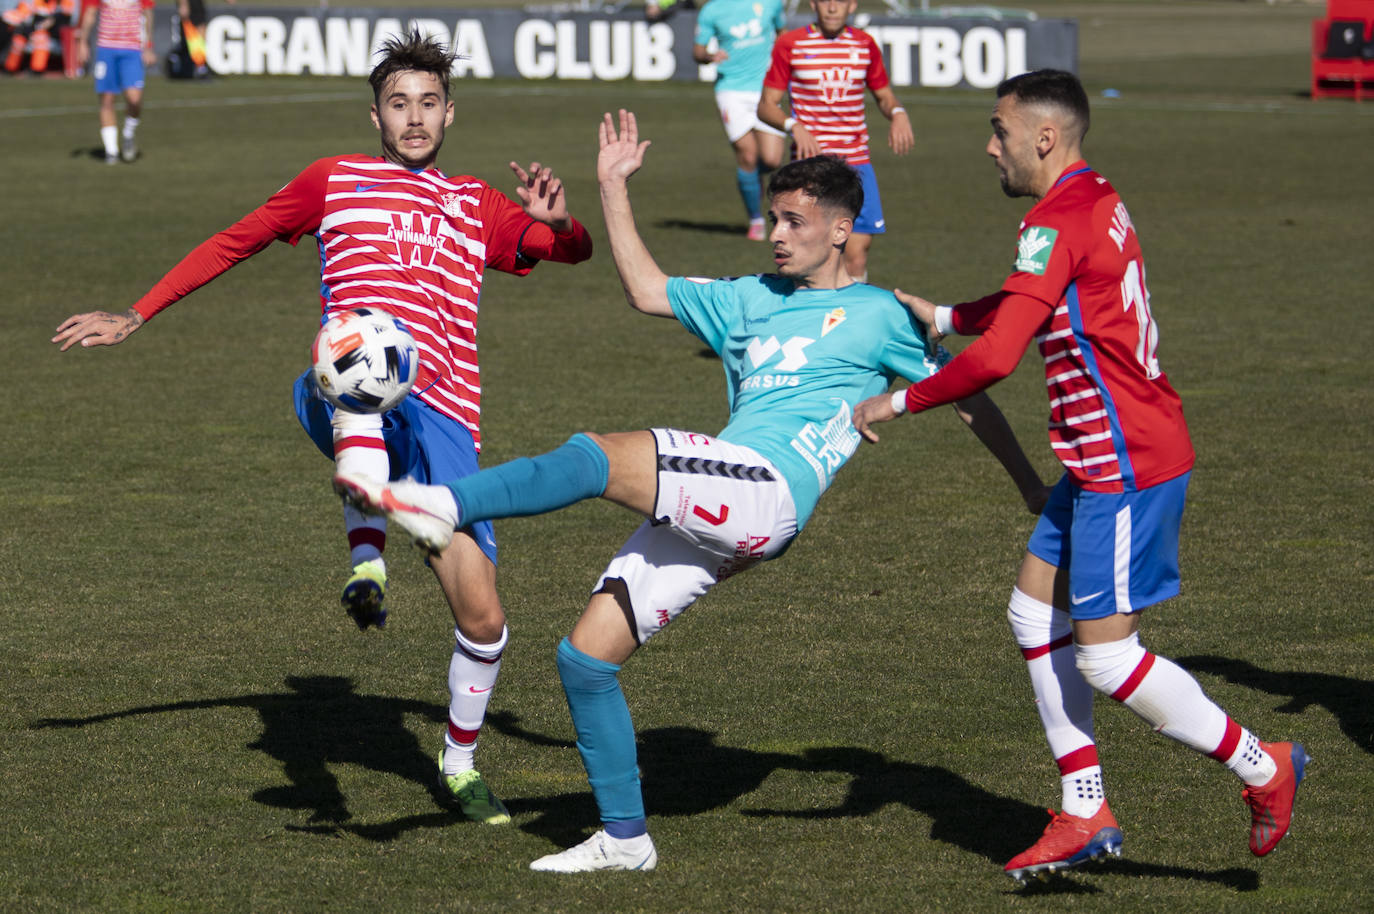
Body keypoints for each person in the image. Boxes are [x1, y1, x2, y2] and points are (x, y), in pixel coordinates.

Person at [333, 109, 1048, 872]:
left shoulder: (881, 314)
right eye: (774, 218)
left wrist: (1031, 488)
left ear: (842, 230)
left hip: (768, 489)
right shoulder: (750, 295)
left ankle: (444, 504)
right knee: (585, 659)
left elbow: (968, 394)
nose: (777, 235)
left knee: (598, 455)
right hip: (726, 496)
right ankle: (625, 839)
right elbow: (646, 290)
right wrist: (613, 187)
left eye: (795, 222)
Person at [52, 31, 595, 826]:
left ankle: (459, 764)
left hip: (446, 424)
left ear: (451, 112)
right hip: (340, 390)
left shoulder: (476, 203)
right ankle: (366, 563)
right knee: (359, 372)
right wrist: (138, 312)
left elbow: (571, 253)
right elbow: (236, 240)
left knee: (484, 620)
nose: (415, 117)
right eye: (399, 103)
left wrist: (564, 223)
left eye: (429, 103)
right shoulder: (332, 181)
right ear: (375, 115)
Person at [851, 69, 1308, 883]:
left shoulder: (1052, 218)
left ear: (1044, 137)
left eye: (999, 130)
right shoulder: (1092, 197)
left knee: (1106, 658)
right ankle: (1084, 807)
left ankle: (1264, 765)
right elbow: (1035, 301)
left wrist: (896, 401)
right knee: (1033, 612)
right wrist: (948, 316)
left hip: (1125, 462)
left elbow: (999, 358)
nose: (990, 146)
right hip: (1103, 456)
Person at [757, 0, 913, 281]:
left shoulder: (865, 44)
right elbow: (766, 105)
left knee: (856, 253)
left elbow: (884, 96)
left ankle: (848, 308)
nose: (831, 8)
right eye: (824, 1)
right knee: (806, 252)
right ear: (813, 4)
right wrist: (794, 126)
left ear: (852, 5)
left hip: (856, 162)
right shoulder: (790, 43)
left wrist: (898, 113)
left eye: (839, 1)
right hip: (810, 165)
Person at [692, 0, 787, 241]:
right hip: (731, 91)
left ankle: (751, 178)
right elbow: (698, 52)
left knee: (772, 159)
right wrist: (710, 56)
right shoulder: (712, 10)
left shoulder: (771, 3)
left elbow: (783, 34)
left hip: (766, 89)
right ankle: (756, 220)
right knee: (747, 156)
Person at [76, 0, 155, 163]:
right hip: (106, 49)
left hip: (132, 49)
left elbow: (148, 13)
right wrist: (83, 41)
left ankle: (128, 133)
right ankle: (111, 151)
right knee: (107, 99)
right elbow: (90, 13)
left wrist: (148, 46)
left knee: (134, 99)